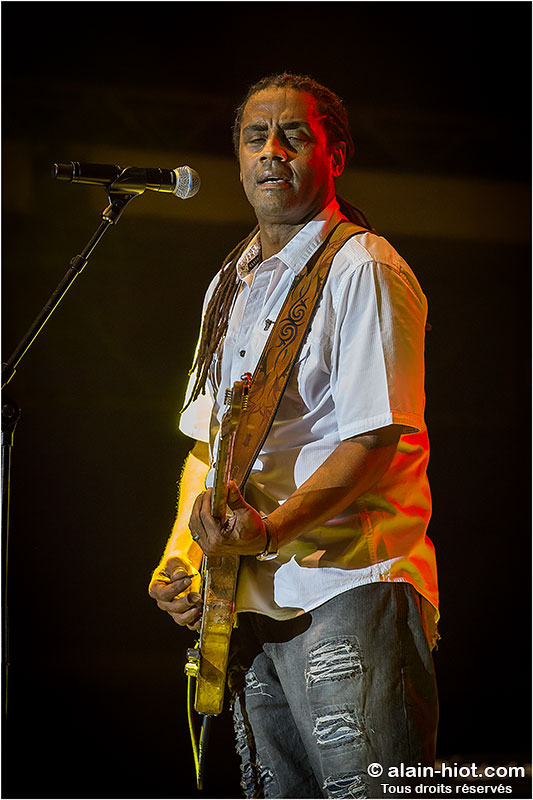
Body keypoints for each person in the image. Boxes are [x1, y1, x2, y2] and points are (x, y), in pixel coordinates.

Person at [149, 73, 439, 799]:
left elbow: (373, 441)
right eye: (255, 137)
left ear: (333, 155)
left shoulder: (363, 266)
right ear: (238, 158)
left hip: (348, 586)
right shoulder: (232, 282)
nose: (271, 151)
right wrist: (183, 555)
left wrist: (270, 529)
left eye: (294, 135)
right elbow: (208, 444)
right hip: (249, 601)